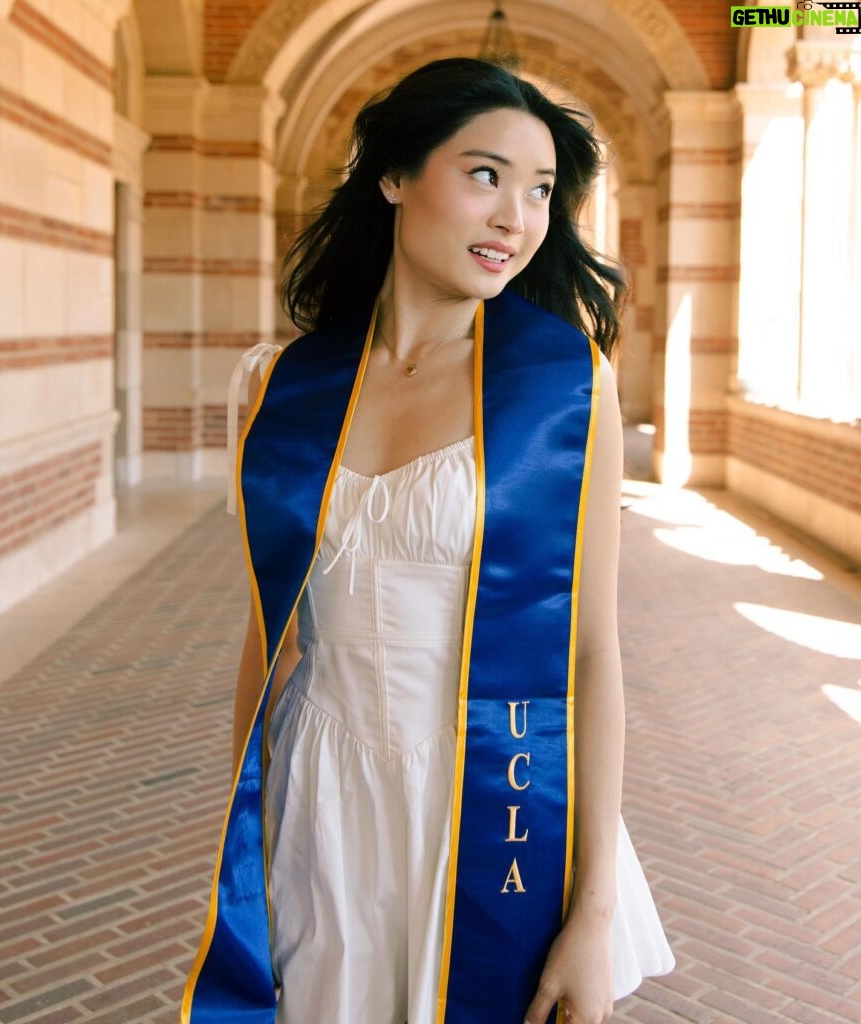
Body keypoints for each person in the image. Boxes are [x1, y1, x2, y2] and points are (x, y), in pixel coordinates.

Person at [183, 57, 675, 1024]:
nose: (516, 218)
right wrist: (248, 829)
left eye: (541, 192)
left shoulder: (564, 391)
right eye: (484, 175)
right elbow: (268, 633)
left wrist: (591, 908)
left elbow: (590, 648)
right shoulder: (282, 385)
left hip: (491, 790)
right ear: (395, 174)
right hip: (321, 796)